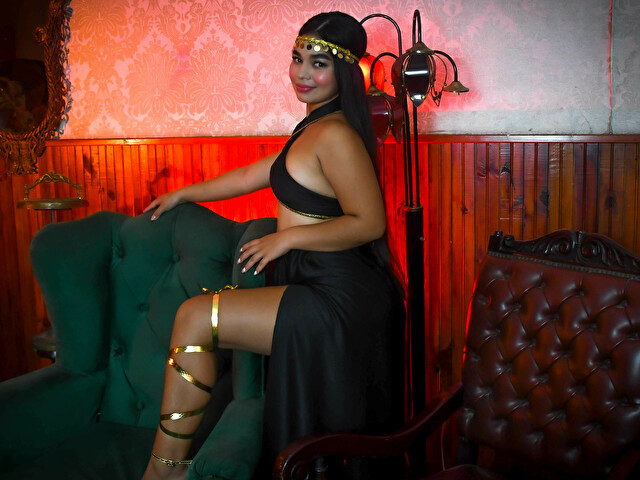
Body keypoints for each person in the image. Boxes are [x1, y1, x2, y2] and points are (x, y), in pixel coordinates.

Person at [142, 11, 403, 480]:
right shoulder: (311, 129)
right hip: (312, 283)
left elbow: (369, 223)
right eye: (297, 58)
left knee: (194, 318)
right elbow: (250, 174)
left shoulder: (337, 135)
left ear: (345, 73)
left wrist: (287, 238)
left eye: (319, 64)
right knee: (193, 320)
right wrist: (183, 193)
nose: (302, 73)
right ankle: (169, 470)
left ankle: (163, 473)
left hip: (336, 295)